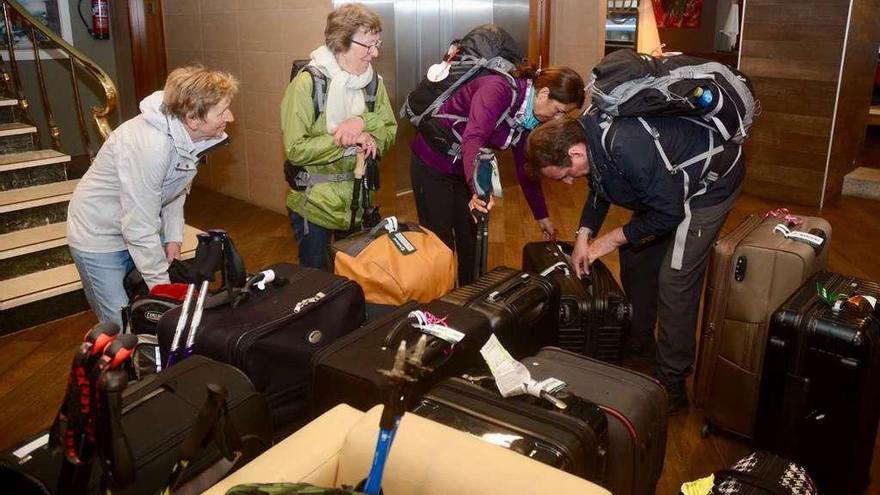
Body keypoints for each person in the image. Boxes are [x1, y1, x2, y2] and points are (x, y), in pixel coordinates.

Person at [525, 112, 744, 414]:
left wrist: (609, 240)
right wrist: (584, 236)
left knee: (675, 279)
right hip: (665, 189)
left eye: (565, 174)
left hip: (708, 189)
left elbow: (669, 213)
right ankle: (640, 344)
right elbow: (600, 186)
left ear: (575, 151)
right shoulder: (588, 136)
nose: (567, 182)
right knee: (636, 256)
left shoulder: (625, 146)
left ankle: (672, 383)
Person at [67, 65, 239, 329]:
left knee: (150, 317)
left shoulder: (185, 134)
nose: (231, 117)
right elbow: (138, 226)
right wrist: (162, 289)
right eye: (222, 111)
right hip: (98, 236)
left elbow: (174, 187)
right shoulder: (149, 146)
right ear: (194, 119)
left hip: (140, 227)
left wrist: (172, 236)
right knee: (121, 324)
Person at [410, 64, 585, 286]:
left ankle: (468, 303)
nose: (558, 118)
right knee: (440, 244)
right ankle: (439, 309)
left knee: (471, 244)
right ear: (543, 94)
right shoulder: (497, 90)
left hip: (464, 170)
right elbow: (473, 138)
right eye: (559, 110)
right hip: (431, 164)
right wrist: (477, 190)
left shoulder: (526, 118)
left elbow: (525, 167)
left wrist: (542, 217)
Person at [281, 3, 397, 270]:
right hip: (314, 205)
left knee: (352, 283)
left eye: (377, 43)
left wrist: (362, 122)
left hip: (359, 203)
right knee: (316, 286)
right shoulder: (306, 85)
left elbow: (389, 130)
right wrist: (343, 140)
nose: (375, 53)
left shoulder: (373, 82)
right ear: (341, 42)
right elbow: (296, 150)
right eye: (368, 45)